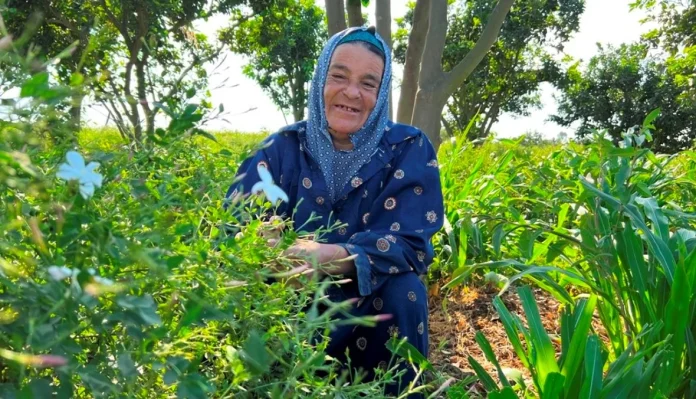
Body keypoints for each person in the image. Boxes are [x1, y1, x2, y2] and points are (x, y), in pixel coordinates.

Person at [225, 26, 444, 397]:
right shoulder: (279, 148)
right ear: (319, 81)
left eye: (368, 83)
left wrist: (330, 257)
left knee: (405, 289)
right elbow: (235, 228)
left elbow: (410, 242)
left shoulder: (408, 147)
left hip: (368, 304)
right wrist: (266, 252)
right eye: (339, 76)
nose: (351, 93)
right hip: (286, 302)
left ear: (381, 93)